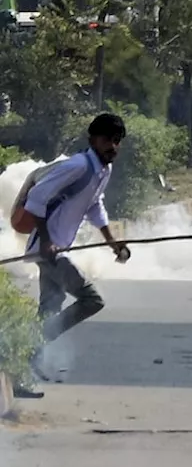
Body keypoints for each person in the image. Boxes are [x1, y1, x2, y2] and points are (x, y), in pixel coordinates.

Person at [19, 113, 132, 397]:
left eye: (117, 141)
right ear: (93, 139)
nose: (113, 146)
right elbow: (36, 200)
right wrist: (47, 242)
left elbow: (95, 206)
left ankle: (22, 365)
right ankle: (33, 344)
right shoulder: (77, 166)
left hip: (57, 249)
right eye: (107, 139)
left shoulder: (102, 171)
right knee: (92, 300)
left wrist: (112, 243)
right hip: (49, 251)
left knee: (49, 308)